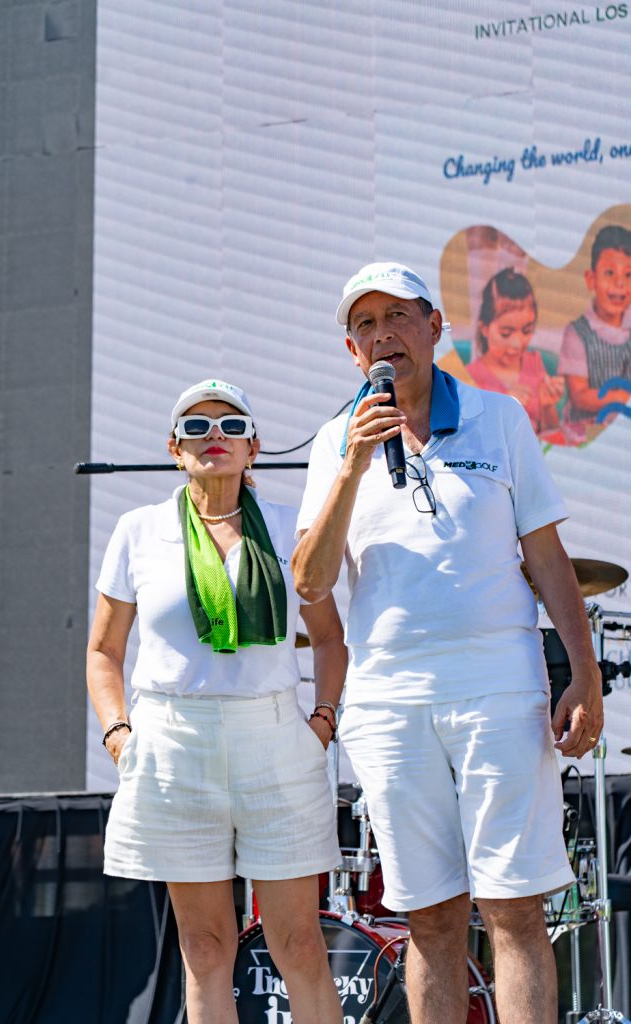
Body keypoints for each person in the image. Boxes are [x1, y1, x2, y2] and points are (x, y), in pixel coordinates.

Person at [291, 262, 603, 1024]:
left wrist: (584, 674)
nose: (382, 335)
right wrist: (352, 465)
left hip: (499, 688)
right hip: (388, 704)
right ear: (350, 350)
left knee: (514, 908)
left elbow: (546, 557)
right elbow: (309, 580)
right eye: (365, 325)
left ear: (434, 327)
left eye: (397, 316)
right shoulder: (334, 442)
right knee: (428, 917)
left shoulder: (500, 418)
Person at [87, 378, 346, 1024]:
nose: (214, 438)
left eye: (231, 426)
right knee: (204, 948)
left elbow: (330, 639)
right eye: (196, 427)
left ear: (253, 446)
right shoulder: (139, 530)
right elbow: (103, 651)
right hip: (174, 742)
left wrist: (321, 722)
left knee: (300, 944)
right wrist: (119, 734)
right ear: (174, 449)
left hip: (275, 739)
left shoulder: (288, 527)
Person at [467, 267, 564, 434]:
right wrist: (503, 405)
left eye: (527, 331)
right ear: (484, 329)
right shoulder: (471, 376)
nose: (517, 344)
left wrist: (547, 406)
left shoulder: (534, 362)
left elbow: (551, 433)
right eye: (506, 333)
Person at [560, 224, 631, 424]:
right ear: (591, 280)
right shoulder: (577, 333)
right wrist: (622, 398)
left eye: (628, 275)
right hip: (586, 428)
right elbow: (579, 396)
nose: (620, 283)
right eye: (609, 273)